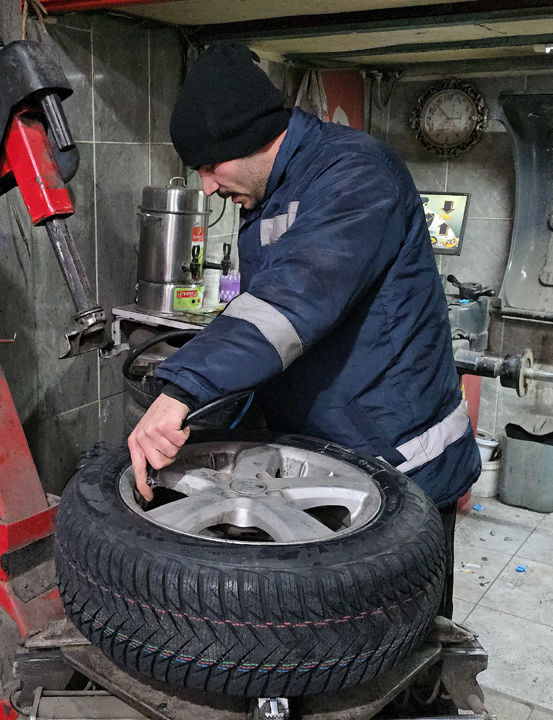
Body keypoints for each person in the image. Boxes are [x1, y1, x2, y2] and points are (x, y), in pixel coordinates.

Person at [127, 43, 480, 617]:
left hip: (400, 458)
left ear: (253, 139)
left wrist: (181, 388)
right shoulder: (276, 188)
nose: (208, 187)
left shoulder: (357, 175)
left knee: (400, 643)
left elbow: (292, 301)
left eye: (209, 167)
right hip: (330, 450)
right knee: (326, 633)